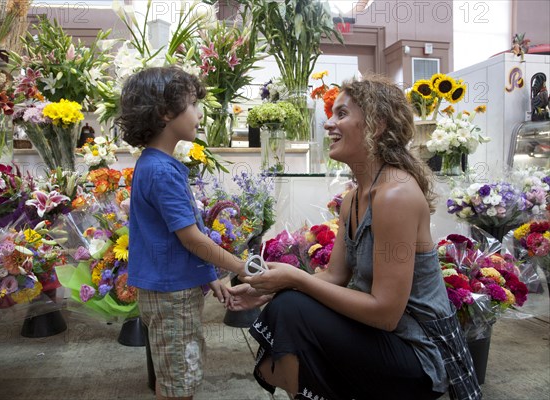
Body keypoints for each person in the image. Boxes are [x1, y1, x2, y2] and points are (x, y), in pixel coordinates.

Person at [227, 75, 481, 400]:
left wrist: (296, 280)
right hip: (381, 338)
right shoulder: (354, 198)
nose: (329, 124)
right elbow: (335, 275)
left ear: (376, 125)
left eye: (341, 114)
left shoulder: (395, 194)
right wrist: (268, 289)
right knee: (287, 304)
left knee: (292, 307)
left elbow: (386, 314)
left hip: (418, 355)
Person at [117, 66, 246, 400]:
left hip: (169, 290)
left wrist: (209, 275)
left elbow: (182, 235)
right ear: (165, 112)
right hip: (171, 295)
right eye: (192, 104)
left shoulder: (155, 164)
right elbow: (191, 239)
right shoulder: (162, 172)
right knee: (180, 379)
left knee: (173, 372)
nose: (199, 114)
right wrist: (241, 268)